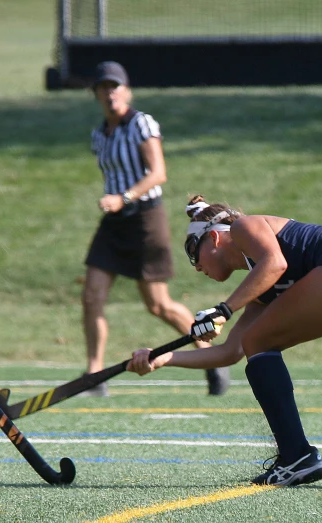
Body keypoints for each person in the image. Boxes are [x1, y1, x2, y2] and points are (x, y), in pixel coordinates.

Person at [127, 194, 322, 486]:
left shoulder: (242, 227)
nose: (196, 267)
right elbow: (230, 352)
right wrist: (162, 358)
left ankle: (296, 457)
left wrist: (223, 310)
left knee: (258, 341)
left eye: (194, 253)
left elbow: (275, 264)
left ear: (214, 238)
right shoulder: (260, 291)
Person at [82, 61, 229, 396]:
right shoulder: (99, 135)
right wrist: (116, 203)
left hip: (145, 218)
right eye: (103, 88)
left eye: (115, 86)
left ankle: (210, 358)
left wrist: (124, 197)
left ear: (127, 90)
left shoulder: (141, 123)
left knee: (158, 304)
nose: (110, 93)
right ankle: (94, 373)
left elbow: (158, 172)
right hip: (115, 222)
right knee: (91, 296)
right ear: (96, 94)